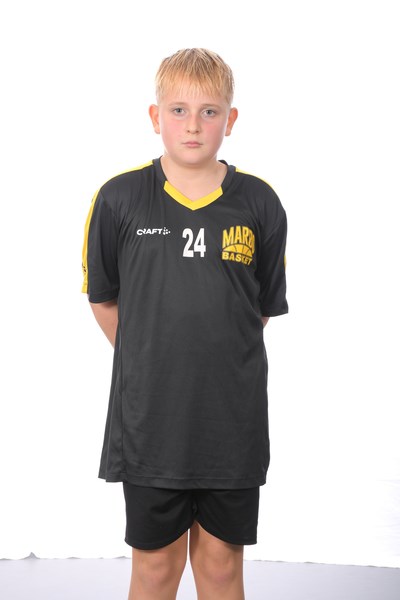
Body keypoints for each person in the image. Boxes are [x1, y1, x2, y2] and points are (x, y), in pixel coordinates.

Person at [81, 47, 288, 600]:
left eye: (208, 111)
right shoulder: (120, 198)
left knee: (220, 567)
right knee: (155, 567)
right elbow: (103, 299)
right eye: (178, 110)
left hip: (231, 422)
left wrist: (214, 356)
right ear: (156, 117)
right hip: (152, 421)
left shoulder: (260, 203)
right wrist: (153, 357)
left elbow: (260, 307)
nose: (193, 125)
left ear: (230, 119)